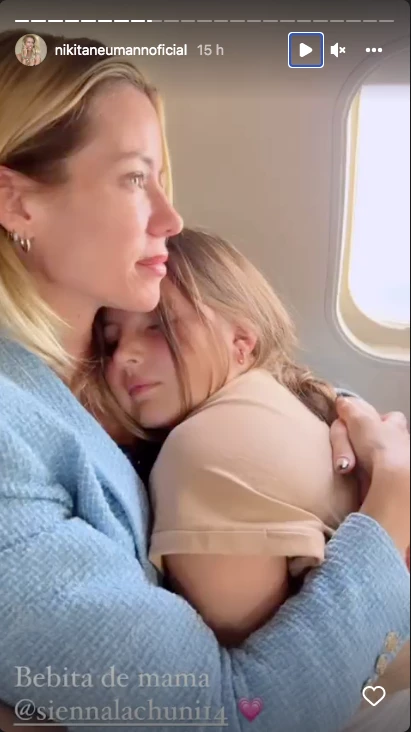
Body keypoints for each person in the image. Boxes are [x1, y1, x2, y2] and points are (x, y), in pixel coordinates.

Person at [0, 28, 409, 732]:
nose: (171, 217)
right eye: (135, 178)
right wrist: (389, 509)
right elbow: (228, 717)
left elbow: (229, 368)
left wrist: (344, 416)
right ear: (17, 205)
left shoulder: (94, 350)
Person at [98, 228, 410, 692]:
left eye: (159, 325)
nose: (124, 356)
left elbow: (274, 696)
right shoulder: (292, 396)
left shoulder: (203, 454)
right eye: (109, 342)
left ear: (241, 340)